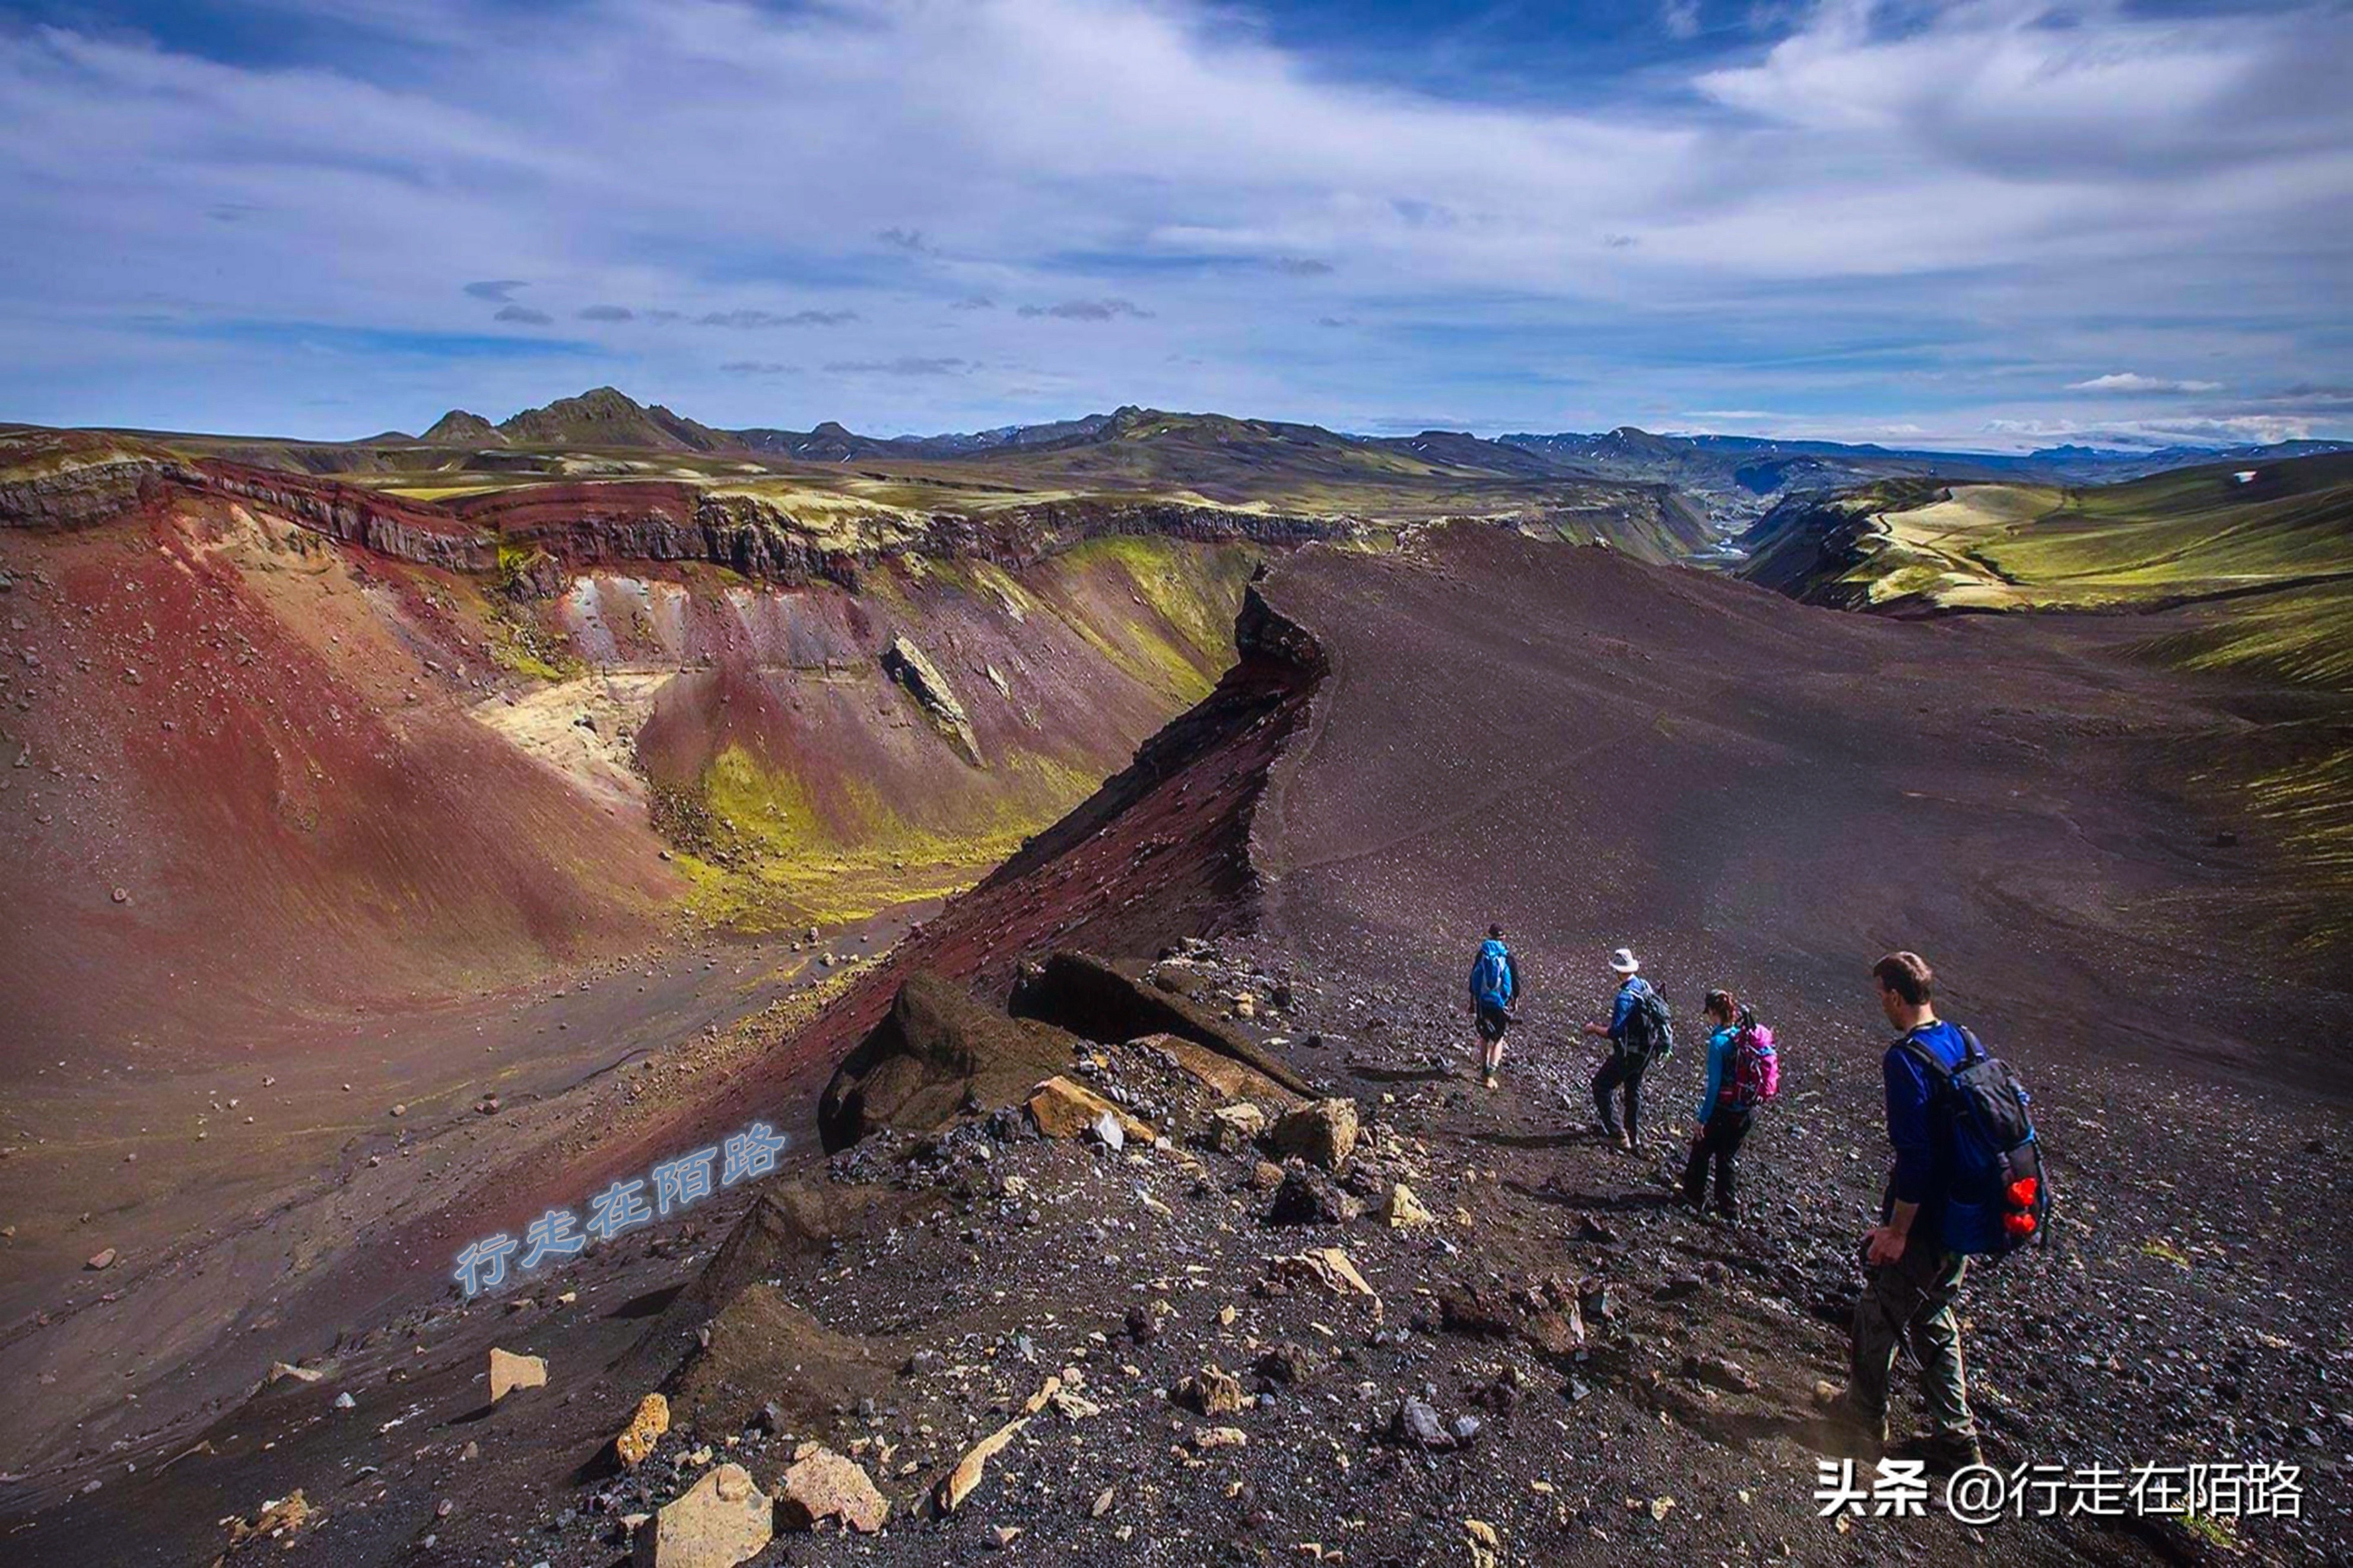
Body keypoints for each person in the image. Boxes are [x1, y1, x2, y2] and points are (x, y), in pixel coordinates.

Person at [1830, 950, 1983, 1471]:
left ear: (1895, 995)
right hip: (1962, 1214)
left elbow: (1915, 1154)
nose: (1879, 1004)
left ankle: (1861, 1419)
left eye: (1880, 994)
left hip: (1924, 1219)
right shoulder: (1962, 1039)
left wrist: (1897, 1229)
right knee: (1932, 1315)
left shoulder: (1905, 1058)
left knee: (1877, 1313)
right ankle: (1956, 1437)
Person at [1680, 989, 1759, 1219]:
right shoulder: (1742, 1037)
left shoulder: (1718, 1042)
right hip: (1745, 1111)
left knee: (1701, 1149)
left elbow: (1714, 1086)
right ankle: (1729, 1210)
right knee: (1727, 1158)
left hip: (1723, 1111)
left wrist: (1702, 1120)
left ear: (1714, 1013)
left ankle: (1693, 1197)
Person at [1581, 947, 1657, 1150]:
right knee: (1633, 1090)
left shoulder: (1624, 997)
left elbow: (1615, 1032)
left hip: (1628, 1053)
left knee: (1601, 1086)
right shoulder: (1645, 986)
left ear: (1617, 970)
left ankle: (1617, 1134)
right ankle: (1633, 1137)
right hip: (1646, 1051)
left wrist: (1594, 1029)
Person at [1465, 925, 1522, 1090]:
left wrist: (1472, 1002)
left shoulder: (1482, 954)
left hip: (1483, 1002)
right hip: (1500, 1004)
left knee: (1484, 1036)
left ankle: (1484, 1070)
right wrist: (1515, 1001)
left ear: (1489, 936)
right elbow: (1515, 983)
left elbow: (1474, 977)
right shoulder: (1507, 957)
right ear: (1503, 938)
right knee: (1498, 1039)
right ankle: (1490, 1076)